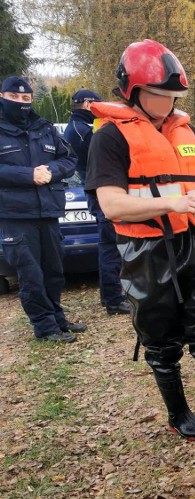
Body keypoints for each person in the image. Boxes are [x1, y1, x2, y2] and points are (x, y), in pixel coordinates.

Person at [86, 39, 195, 451]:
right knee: (160, 338)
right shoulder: (110, 137)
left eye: (172, 96)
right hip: (144, 252)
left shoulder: (187, 131)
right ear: (132, 91)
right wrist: (173, 202)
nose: (167, 103)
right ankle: (178, 414)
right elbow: (111, 204)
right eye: (158, 95)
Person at [0, 76, 86, 343]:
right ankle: (45, 327)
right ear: (3, 97)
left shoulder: (45, 128)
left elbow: (69, 158)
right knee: (31, 275)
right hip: (16, 215)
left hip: (48, 211)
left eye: (26, 99)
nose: (21, 103)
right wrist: (28, 175)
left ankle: (58, 319)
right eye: (14, 98)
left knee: (53, 271)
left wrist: (51, 171)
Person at [65, 88, 131, 316]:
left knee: (111, 246)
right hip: (100, 192)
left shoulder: (81, 127)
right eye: (97, 103)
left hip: (97, 190)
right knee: (111, 247)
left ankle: (113, 296)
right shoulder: (83, 130)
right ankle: (113, 298)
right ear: (86, 103)